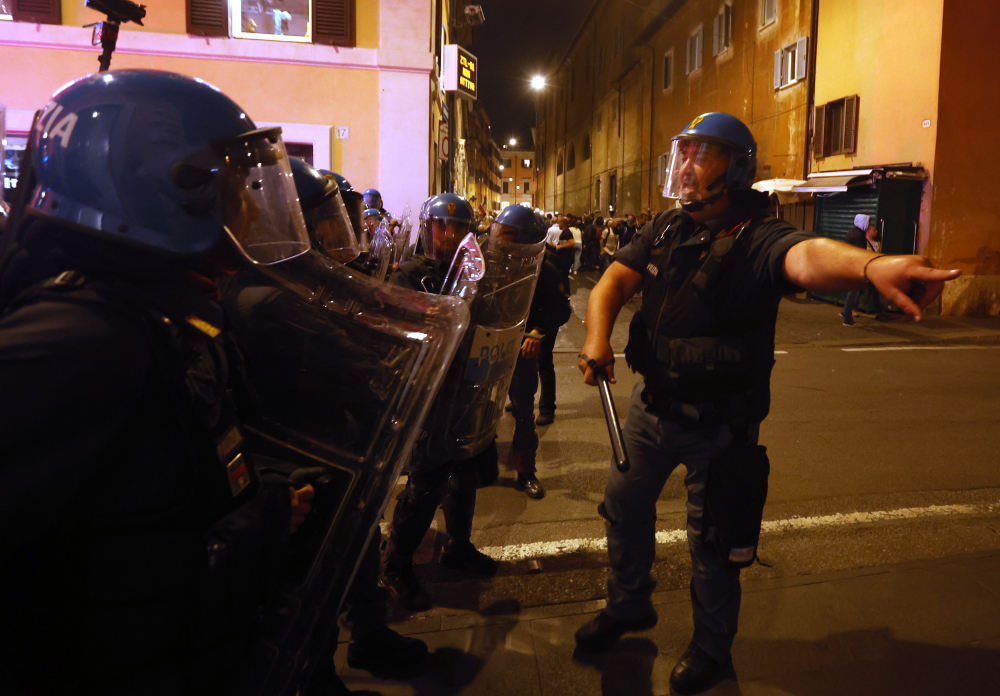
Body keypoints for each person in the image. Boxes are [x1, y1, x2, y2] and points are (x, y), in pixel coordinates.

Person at [573, 112, 960, 695]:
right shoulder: (665, 227)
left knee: (715, 545)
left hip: (721, 429)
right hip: (650, 413)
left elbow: (803, 257)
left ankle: (710, 648)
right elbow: (612, 283)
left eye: (702, 154)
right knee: (624, 509)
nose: (685, 165)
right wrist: (596, 336)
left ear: (736, 167)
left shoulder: (756, 233)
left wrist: (872, 265)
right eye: (683, 152)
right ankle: (629, 605)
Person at [0, 70, 319, 696]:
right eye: (234, 181)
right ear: (164, 188)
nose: (252, 204)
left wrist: (267, 508)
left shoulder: (154, 313)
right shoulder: (79, 337)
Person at [288, 158, 428, 678]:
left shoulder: (324, 281)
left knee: (359, 551)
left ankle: (367, 636)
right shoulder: (277, 294)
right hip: (308, 461)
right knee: (317, 573)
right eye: (329, 220)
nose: (340, 231)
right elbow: (348, 362)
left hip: (345, 450)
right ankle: (318, 676)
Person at [380, 193, 500, 612]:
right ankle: (395, 565)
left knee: (465, 473)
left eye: (457, 228)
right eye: (441, 226)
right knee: (425, 484)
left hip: (467, 392)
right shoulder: (410, 276)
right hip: (430, 397)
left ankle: (457, 546)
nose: (449, 235)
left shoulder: (476, 273)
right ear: (428, 229)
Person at [501, 206, 572, 499]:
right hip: (488, 345)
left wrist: (537, 331)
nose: (499, 240)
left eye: (506, 235)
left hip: (520, 346)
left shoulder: (543, 269)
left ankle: (526, 471)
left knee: (523, 412)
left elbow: (561, 309)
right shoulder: (487, 262)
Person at [841, 213, 887, 325]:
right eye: (868, 222)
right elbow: (859, 253)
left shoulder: (854, 232)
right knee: (854, 292)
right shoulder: (858, 235)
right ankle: (847, 317)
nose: (869, 225)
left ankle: (847, 313)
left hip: (851, 266)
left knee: (857, 291)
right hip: (854, 267)